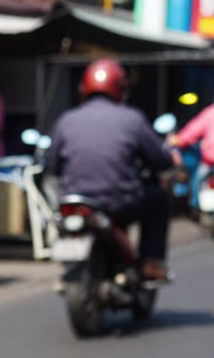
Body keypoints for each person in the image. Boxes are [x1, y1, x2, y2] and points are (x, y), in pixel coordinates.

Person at [45, 59, 173, 281]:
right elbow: (160, 160)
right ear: (121, 89)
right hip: (119, 203)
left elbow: (51, 166)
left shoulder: (67, 120)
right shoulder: (132, 119)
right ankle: (150, 262)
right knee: (160, 198)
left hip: (74, 203)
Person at [170, 102, 214, 211]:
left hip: (209, 161)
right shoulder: (210, 113)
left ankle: (194, 207)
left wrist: (179, 139)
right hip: (209, 162)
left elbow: (193, 130)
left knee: (196, 181)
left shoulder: (210, 113)